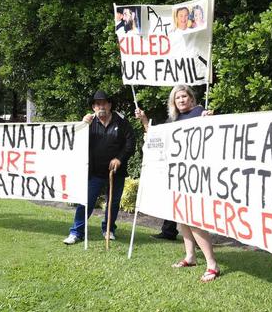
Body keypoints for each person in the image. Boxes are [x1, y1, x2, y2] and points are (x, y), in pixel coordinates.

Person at [135, 85, 219, 282]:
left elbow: (214, 133)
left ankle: (212, 264)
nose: (181, 100)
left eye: (184, 96)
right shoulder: (173, 119)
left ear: (191, 98)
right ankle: (190, 256)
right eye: (177, 98)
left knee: (195, 220)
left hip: (195, 176)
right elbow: (156, 137)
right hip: (177, 176)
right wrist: (144, 120)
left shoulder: (200, 113)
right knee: (182, 218)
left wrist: (210, 119)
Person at [63, 90, 135, 244]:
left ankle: (108, 230)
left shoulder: (121, 121)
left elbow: (130, 144)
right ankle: (76, 232)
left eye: (104, 103)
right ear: (93, 107)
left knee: (113, 203)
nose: (101, 106)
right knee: (86, 201)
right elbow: (75, 142)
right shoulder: (88, 122)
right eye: (97, 104)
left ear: (109, 105)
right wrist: (82, 125)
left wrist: (119, 159)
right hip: (93, 172)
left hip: (116, 172)